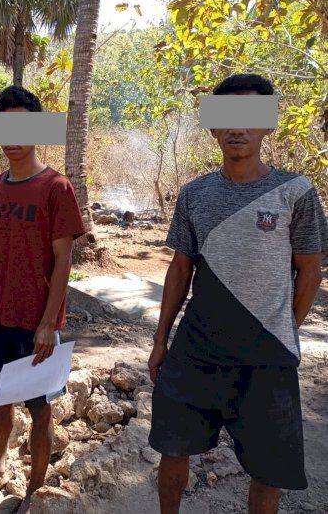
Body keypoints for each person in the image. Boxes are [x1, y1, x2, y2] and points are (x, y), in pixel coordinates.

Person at [147, 74, 327, 514]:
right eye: (226, 118)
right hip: (196, 351)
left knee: (268, 472)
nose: (237, 129)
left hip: (267, 360)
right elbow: (181, 267)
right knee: (173, 450)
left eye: (249, 117)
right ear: (212, 127)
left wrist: (279, 327)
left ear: (268, 125)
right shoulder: (194, 194)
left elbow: (309, 273)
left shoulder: (297, 193)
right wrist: (160, 339)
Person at [0, 86, 85, 513]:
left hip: (38, 321)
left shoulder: (56, 187)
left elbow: (63, 259)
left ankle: (34, 489)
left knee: (41, 410)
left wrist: (49, 322)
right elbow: (0, 249)